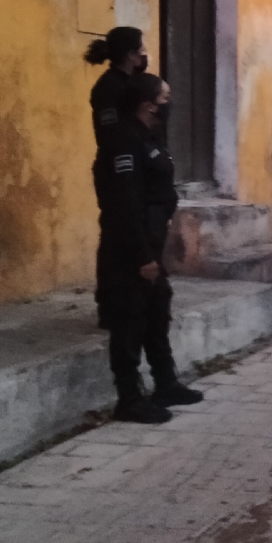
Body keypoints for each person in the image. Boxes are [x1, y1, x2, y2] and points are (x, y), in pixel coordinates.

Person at [95, 72, 204, 422]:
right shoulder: (125, 140)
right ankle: (129, 398)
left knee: (157, 312)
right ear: (147, 103)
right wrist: (143, 255)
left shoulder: (148, 136)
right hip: (130, 246)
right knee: (129, 320)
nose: (169, 103)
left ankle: (165, 383)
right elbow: (126, 202)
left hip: (151, 241)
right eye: (165, 96)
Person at [84, 27, 151, 325]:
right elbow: (111, 135)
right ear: (129, 55)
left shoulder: (132, 82)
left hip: (136, 167)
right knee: (114, 233)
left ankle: (131, 298)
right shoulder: (108, 88)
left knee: (135, 231)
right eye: (140, 50)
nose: (144, 55)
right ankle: (109, 305)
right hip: (116, 169)